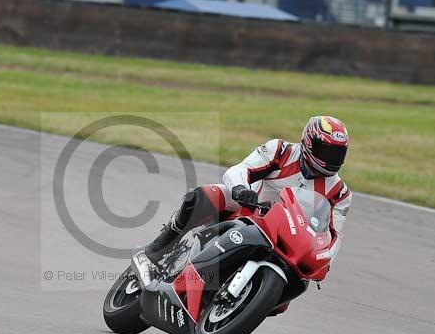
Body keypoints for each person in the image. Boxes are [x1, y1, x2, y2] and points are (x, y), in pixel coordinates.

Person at [136, 115, 352, 309]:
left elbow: (334, 237)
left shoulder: (340, 193)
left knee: (290, 292)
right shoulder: (281, 151)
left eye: (337, 153)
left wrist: (323, 259)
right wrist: (241, 189)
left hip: (289, 238)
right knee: (200, 197)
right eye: (326, 151)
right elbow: (241, 169)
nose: (331, 158)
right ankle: (157, 250)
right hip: (248, 210)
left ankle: (241, 303)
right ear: (308, 142)